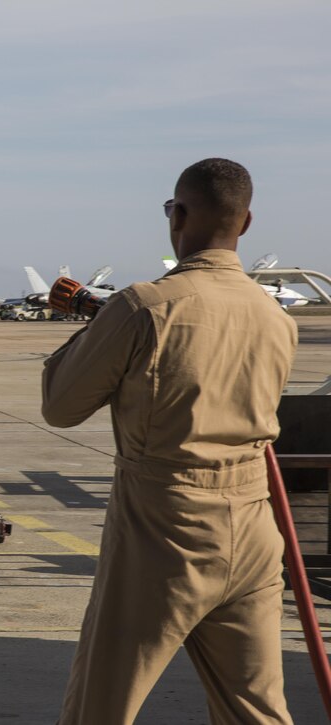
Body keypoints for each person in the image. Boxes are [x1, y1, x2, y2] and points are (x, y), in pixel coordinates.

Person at [43, 159, 297, 724]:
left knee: (100, 706)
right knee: (255, 708)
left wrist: (101, 328)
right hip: (254, 528)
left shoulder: (143, 306)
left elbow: (61, 407)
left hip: (165, 526)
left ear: (177, 215)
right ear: (246, 223)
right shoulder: (275, 317)